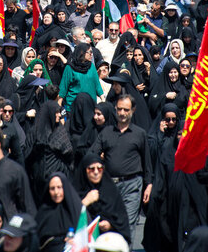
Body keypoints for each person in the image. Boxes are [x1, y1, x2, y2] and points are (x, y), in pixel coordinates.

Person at [89, 94, 152, 240]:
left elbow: (146, 161)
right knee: (109, 227)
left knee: (127, 227)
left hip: (132, 186)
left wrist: (148, 184)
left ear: (133, 110)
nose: (122, 113)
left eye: (126, 110)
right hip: (110, 186)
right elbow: (91, 155)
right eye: (119, 109)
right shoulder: (106, 133)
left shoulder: (139, 134)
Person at [73, 154, 131, 243]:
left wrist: (110, 225)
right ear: (84, 170)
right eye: (91, 169)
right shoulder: (75, 192)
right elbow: (68, 218)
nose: (96, 172)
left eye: (100, 169)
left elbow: (121, 220)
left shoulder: (111, 191)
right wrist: (85, 202)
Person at [35, 173, 82, 252]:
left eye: (59, 187)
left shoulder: (75, 209)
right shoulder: (43, 213)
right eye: (52, 188)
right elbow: (38, 241)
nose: (56, 192)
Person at [59, 43, 104, 112]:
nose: (92, 54)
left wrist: (103, 100)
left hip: (90, 106)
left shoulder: (91, 67)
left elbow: (97, 85)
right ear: (81, 53)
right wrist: (58, 105)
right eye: (90, 52)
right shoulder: (70, 68)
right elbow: (63, 88)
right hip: (73, 108)